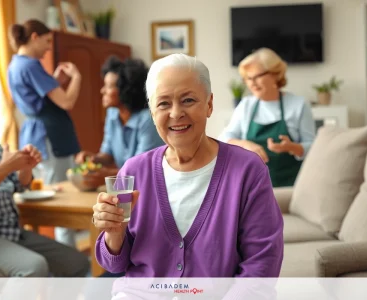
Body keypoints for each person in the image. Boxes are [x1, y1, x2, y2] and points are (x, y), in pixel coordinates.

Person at [92, 54, 283, 283]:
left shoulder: (248, 170)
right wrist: (114, 233)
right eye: (163, 103)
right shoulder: (131, 172)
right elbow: (114, 264)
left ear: (209, 104)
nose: (175, 113)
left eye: (188, 100)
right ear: (152, 112)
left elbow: (262, 266)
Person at [0, 69, 89, 277]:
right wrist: (4, 168)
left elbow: (15, 185)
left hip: (8, 231)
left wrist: (25, 168)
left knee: (77, 263)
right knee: (32, 268)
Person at [7, 19, 82, 246]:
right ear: (34, 37)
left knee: (46, 193)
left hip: (33, 133)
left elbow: (39, 98)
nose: (49, 47)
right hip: (50, 135)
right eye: (47, 41)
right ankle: (71, 266)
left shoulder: (15, 65)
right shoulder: (31, 65)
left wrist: (55, 81)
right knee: (62, 199)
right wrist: (76, 78)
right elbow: (66, 101)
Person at [219, 48, 316, 187]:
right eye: (248, 78)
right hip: (251, 185)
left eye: (257, 76)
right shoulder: (246, 105)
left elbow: (313, 147)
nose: (252, 83)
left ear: (275, 75)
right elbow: (224, 137)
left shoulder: (298, 105)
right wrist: (245, 144)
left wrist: (292, 147)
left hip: (290, 186)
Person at [75, 56, 163, 189]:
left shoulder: (148, 120)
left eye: (108, 86)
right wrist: (93, 158)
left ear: (126, 90)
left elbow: (142, 168)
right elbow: (108, 153)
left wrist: (107, 177)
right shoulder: (112, 114)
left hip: (151, 189)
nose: (102, 90)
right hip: (127, 189)